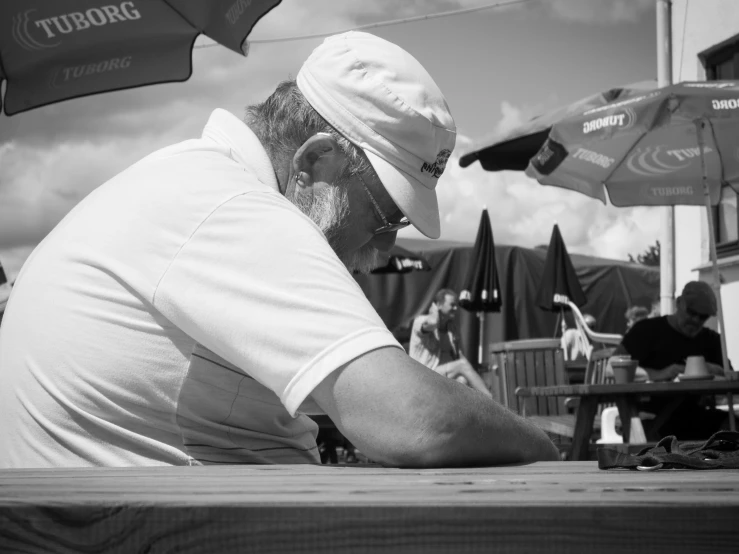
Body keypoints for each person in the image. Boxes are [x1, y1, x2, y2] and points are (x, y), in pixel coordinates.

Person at [0, 32, 558, 468]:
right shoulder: (235, 208)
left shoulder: (193, 182)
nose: (386, 246)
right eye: (387, 213)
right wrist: (548, 449)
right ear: (317, 162)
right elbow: (416, 421)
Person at [612, 281, 733, 439]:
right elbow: (611, 366)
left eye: (702, 316)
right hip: (651, 417)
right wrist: (658, 374)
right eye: (691, 312)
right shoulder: (646, 331)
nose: (696, 320)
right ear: (678, 304)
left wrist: (710, 369)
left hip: (697, 416)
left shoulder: (711, 340)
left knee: (732, 427)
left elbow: (729, 377)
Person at [409, 289, 492, 397]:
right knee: (462, 366)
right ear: (438, 305)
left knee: (462, 381)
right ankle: (491, 401)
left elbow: (459, 357)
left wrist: (479, 381)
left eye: (456, 305)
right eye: (452, 305)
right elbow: (433, 323)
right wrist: (434, 311)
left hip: (441, 376)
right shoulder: (420, 321)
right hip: (423, 375)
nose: (455, 308)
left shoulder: (451, 328)